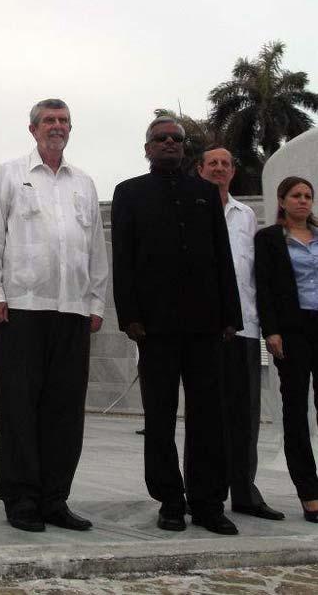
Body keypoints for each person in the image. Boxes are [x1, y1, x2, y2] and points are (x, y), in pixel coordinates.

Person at [0, 99, 108, 533]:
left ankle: (55, 498)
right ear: (33, 129)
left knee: (65, 409)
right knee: (19, 406)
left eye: (63, 121)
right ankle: (21, 498)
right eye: (49, 121)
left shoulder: (84, 183)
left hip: (72, 310)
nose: (57, 127)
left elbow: (95, 249)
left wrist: (96, 302)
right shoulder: (10, 174)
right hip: (21, 309)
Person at [111, 117, 242, 535]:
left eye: (176, 139)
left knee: (208, 416)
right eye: (160, 139)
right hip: (155, 326)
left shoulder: (205, 193)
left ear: (184, 148)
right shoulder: (129, 193)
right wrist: (129, 315)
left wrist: (229, 316)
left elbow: (223, 258)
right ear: (147, 147)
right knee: (161, 415)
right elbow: (124, 258)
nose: (169, 143)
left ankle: (207, 502)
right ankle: (170, 499)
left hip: (205, 324)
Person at [196, 147, 283, 520]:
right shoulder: (191, 210)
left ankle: (245, 493)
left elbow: (255, 277)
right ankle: (203, 493)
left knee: (245, 415)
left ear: (233, 172)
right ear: (199, 169)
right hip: (202, 330)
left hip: (245, 326)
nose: (219, 168)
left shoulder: (246, 216)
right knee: (205, 415)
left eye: (225, 164)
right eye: (212, 163)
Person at [255, 176, 318, 522]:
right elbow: (264, 288)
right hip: (292, 331)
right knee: (295, 411)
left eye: (308, 196)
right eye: (296, 196)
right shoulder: (269, 240)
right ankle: (309, 492)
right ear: (282, 200)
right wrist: (272, 331)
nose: (303, 201)